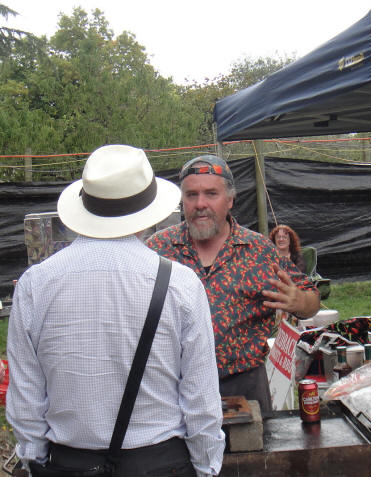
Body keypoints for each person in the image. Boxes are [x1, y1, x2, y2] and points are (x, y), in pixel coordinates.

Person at [7, 145, 225, 476]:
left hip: (68, 463)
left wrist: (35, 459)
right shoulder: (181, 285)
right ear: (149, 209)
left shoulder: (35, 285)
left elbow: (26, 398)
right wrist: (206, 466)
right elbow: (200, 401)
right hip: (159, 464)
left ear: (85, 204)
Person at [146, 155, 320, 412]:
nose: (200, 204)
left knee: (254, 452)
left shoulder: (259, 251)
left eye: (211, 194)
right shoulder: (159, 249)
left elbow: (311, 299)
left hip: (244, 385)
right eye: (191, 195)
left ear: (229, 200)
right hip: (172, 390)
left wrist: (300, 301)